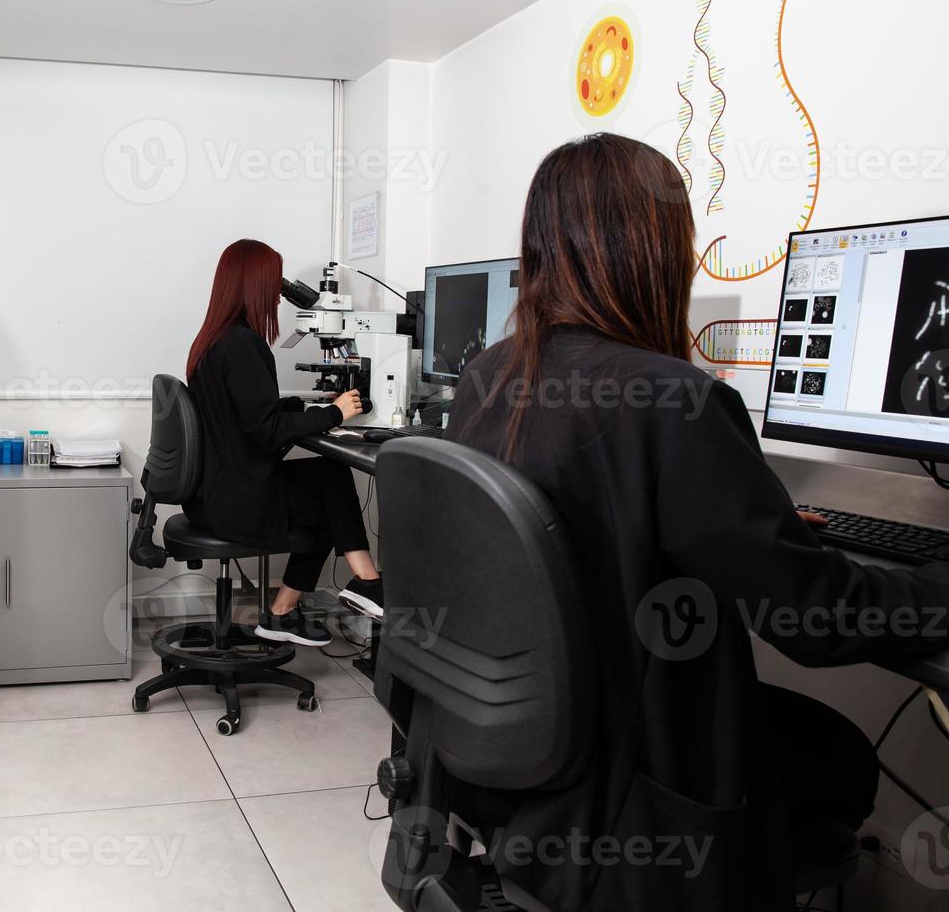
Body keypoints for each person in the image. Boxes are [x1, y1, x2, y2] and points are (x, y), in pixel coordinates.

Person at [444, 133, 949, 910]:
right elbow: (811, 618)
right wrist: (932, 588)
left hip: (518, 744)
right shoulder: (674, 399)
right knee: (843, 756)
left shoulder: (488, 374)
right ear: (656, 251)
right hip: (629, 773)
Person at [183, 239, 383, 647]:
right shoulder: (242, 344)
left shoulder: (215, 341)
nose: (278, 295)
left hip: (215, 492)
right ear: (255, 285)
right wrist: (335, 414)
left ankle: (295, 608)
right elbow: (266, 431)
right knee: (329, 487)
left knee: (326, 479)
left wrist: (308, 404)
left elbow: (246, 414)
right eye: (274, 284)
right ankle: (362, 584)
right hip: (235, 500)